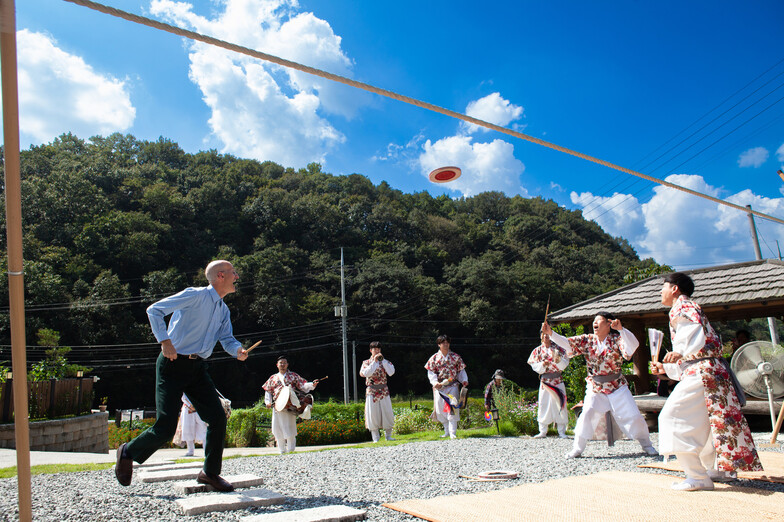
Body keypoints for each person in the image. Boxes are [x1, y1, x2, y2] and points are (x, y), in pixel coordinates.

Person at [115, 260, 248, 492]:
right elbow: (154, 310)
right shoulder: (194, 296)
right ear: (220, 276)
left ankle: (209, 473)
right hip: (172, 364)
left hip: (197, 369)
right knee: (165, 427)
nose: (237, 277)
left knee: (217, 418)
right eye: (233, 273)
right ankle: (128, 452)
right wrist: (165, 341)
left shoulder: (223, 310)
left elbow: (227, 339)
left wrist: (237, 350)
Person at [652, 272, 762, 491]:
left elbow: (691, 335)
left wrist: (679, 351)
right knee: (710, 422)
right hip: (711, 371)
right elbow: (698, 347)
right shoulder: (688, 307)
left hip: (703, 372)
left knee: (672, 417)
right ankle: (716, 470)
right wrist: (667, 367)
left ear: (674, 289)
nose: (660, 292)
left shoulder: (683, 306)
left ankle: (697, 476)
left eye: (663, 287)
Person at [543, 314, 657, 459]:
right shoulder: (588, 340)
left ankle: (647, 445)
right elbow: (567, 343)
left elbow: (632, 346)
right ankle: (577, 448)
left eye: (598, 321)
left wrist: (621, 330)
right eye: (594, 321)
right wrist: (551, 333)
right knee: (587, 414)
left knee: (634, 416)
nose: (595, 323)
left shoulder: (617, 339)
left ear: (608, 324)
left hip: (617, 386)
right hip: (596, 387)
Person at [263, 355, 319, 454]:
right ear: (277, 365)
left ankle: (291, 450)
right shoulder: (273, 378)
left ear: (287, 364)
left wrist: (312, 384)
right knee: (277, 428)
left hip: (290, 405)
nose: (283, 365)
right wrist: (267, 402)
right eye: (281, 363)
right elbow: (268, 391)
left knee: (290, 427)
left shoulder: (293, 375)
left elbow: (302, 385)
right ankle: (281, 450)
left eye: (284, 363)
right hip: (277, 405)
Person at [425, 334, 468, 439]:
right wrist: (435, 383)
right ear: (439, 344)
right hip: (439, 387)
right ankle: (446, 431)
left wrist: (464, 380)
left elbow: (461, 371)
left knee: (452, 407)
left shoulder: (455, 357)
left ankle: (453, 432)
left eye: (447, 343)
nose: (445, 344)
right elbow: (430, 373)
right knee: (440, 409)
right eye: (443, 343)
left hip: (452, 385)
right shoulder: (434, 358)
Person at [527, 332, 569, 439]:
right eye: (543, 334)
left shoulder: (558, 349)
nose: (545, 336)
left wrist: (558, 361)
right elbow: (533, 365)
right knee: (543, 404)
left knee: (560, 404)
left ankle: (561, 431)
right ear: (540, 336)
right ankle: (542, 431)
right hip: (545, 381)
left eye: (547, 334)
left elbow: (564, 364)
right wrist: (542, 365)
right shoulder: (537, 350)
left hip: (557, 380)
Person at [359, 341, 396, 442]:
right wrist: (374, 362)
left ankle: (388, 436)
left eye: (379, 349)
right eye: (375, 349)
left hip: (383, 390)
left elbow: (391, 372)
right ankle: (375, 438)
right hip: (372, 390)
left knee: (387, 412)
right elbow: (366, 373)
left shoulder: (385, 362)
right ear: (371, 350)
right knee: (373, 413)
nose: (377, 351)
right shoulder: (366, 363)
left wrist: (382, 361)